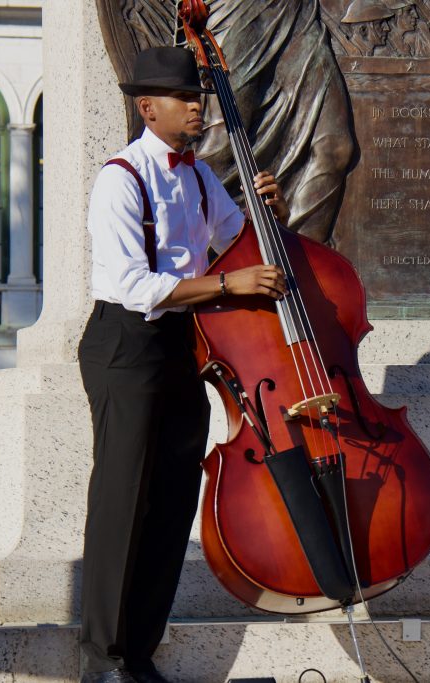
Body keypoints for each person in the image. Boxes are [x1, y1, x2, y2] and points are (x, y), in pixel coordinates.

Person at [77, 46, 289, 683]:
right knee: (124, 500)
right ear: (149, 107)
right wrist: (228, 287)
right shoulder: (120, 177)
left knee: (171, 499)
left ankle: (139, 654)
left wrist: (267, 216)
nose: (200, 109)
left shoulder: (198, 176)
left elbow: (236, 244)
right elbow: (133, 287)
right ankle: (103, 661)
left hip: (180, 346)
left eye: (200, 98)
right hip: (125, 343)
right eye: (187, 100)